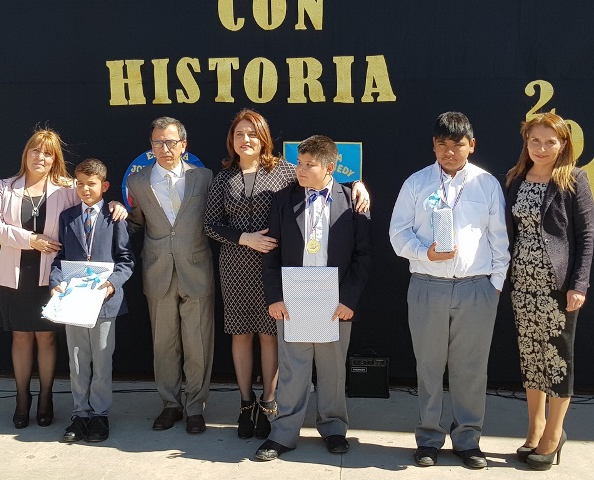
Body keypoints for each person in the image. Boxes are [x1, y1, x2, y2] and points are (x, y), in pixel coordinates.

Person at [204, 109, 370, 440]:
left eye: (252, 133)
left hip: (313, 285)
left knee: (315, 358)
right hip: (258, 274)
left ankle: (298, 415)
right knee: (270, 351)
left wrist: (358, 185)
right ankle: (263, 417)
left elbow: (326, 185)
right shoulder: (228, 179)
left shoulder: (285, 172)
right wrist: (245, 240)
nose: (245, 139)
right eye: (239, 133)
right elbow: (212, 224)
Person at [389, 112, 510, 469]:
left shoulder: (487, 184)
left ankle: (468, 440)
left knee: (470, 369)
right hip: (428, 286)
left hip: (476, 289)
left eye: (457, 145)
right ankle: (429, 439)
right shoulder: (417, 183)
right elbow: (398, 233)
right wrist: (423, 252)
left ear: (472, 145)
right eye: (442, 144)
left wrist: (495, 286)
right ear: (433, 145)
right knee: (428, 366)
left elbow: (499, 239)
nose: (449, 152)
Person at [0, 128, 127, 429]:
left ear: (55, 159)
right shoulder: (6, 187)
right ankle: (22, 398)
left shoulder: (66, 187)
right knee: (20, 336)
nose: (40, 157)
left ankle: (46, 398)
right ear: (26, 153)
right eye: (36, 150)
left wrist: (117, 205)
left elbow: (93, 200)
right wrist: (30, 239)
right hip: (15, 275)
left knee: (47, 337)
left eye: (48, 153)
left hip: (52, 275)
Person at [255, 135, 372, 460]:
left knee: (333, 369)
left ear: (329, 167)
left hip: (335, 300)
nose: (301, 170)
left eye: (309, 165)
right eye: (299, 163)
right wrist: (275, 296)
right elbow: (271, 252)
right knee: (293, 369)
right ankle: (283, 433)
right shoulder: (283, 199)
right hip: (293, 298)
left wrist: (349, 300)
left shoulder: (353, 201)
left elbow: (363, 256)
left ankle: (334, 429)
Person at [505, 113, 594, 470]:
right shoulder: (516, 178)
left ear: (563, 144)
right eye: (535, 141)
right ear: (526, 143)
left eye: (550, 142)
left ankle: (554, 434)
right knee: (531, 358)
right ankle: (535, 427)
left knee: (557, 360)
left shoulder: (573, 179)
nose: (541, 148)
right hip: (522, 284)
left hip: (558, 288)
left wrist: (579, 285)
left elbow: (586, 237)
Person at [127, 117, 214, 434]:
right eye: (157, 142)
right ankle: (170, 405)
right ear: (150, 146)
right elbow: (135, 222)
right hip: (158, 271)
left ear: (183, 145)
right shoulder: (137, 182)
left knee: (198, 343)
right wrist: (113, 215)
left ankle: (195, 407)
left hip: (197, 269)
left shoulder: (204, 178)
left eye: (170, 142)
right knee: (164, 344)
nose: (164, 148)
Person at [49, 158, 135, 443]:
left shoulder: (114, 217)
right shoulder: (67, 217)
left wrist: (112, 284)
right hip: (74, 302)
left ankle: (99, 414)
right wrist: (56, 282)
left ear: (104, 186)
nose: (85, 189)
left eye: (91, 184)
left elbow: (126, 260)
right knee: (77, 360)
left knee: (101, 360)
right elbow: (60, 258)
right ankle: (80, 414)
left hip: (104, 303)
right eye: (80, 184)